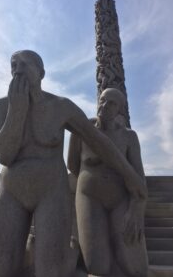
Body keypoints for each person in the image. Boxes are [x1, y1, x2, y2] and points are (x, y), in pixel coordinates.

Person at [0, 51, 147, 277]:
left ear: (41, 73)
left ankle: (68, 253)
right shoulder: (2, 106)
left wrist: (133, 181)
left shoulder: (61, 107)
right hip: (11, 189)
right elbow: (3, 155)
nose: (17, 69)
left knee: (49, 272)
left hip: (50, 189)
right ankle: (34, 253)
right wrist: (17, 110)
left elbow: (99, 142)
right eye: (13, 65)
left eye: (25, 64)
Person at [68, 88, 148, 277]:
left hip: (120, 198)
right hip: (90, 197)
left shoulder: (129, 137)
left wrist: (136, 208)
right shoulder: (82, 129)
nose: (104, 106)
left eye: (111, 103)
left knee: (135, 267)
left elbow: (139, 177)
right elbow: (73, 165)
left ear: (120, 109)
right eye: (102, 100)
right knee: (98, 266)